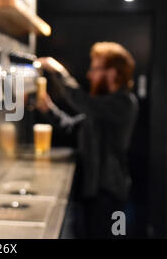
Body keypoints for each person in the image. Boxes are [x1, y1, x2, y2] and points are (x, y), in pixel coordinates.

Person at [36, 42, 138, 238]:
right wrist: (47, 108)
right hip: (94, 191)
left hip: (110, 193)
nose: (90, 75)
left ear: (112, 73)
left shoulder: (124, 103)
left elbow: (83, 102)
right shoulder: (102, 105)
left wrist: (59, 73)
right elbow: (72, 126)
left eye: (94, 68)